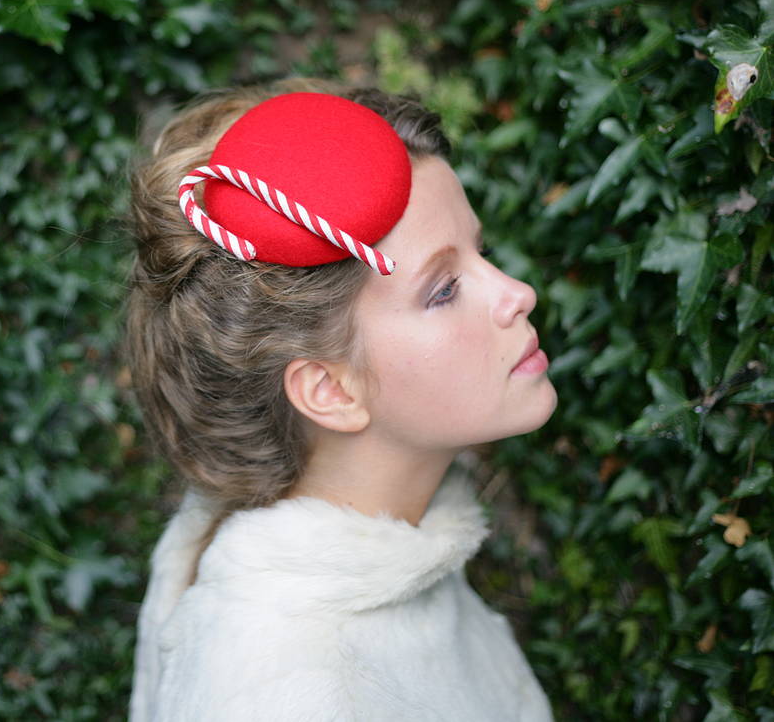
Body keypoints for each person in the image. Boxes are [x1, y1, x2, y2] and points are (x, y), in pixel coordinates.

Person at [127, 79, 558, 721]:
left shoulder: (380, 559)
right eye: (442, 290)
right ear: (329, 390)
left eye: (482, 251)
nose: (516, 293)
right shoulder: (286, 690)